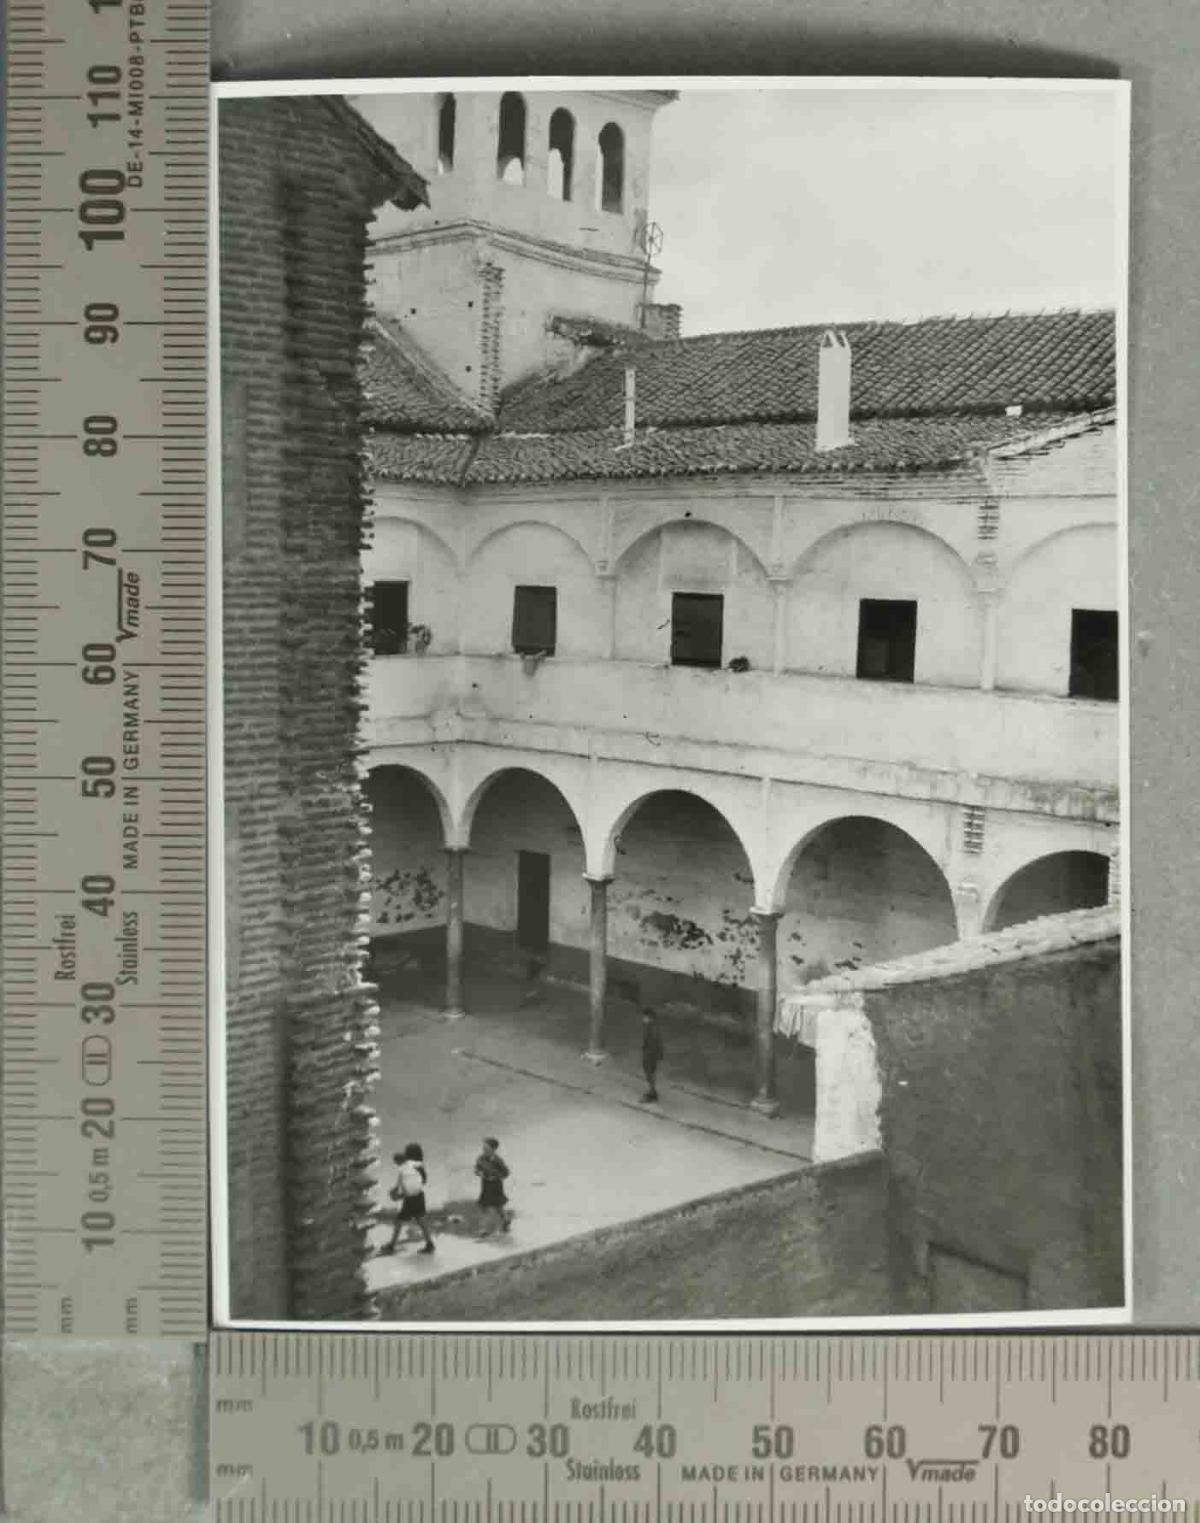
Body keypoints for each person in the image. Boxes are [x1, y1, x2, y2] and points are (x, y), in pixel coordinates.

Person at [381, 1142, 435, 1255]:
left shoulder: (403, 1168)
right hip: (419, 1196)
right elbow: (423, 1181)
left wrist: (396, 1193)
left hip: (410, 1198)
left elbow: (401, 1186)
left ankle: (391, 1245)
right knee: (421, 1220)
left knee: (400, 1221)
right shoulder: (419, 1165)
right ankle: (430, 1244)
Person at [474, 1136, 512, 1237]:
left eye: (486, 1148)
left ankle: (505, 1220)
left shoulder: (498, 1160)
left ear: (493, 1149)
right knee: (485, 1207)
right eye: (484, 1148)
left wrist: (495, 1176)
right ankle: (484, 1229)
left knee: (498, 1206)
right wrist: (480, 1173)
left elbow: (506, 1173)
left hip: (496, 1186)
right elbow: (476, 1170)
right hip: (485, 1185)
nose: (484, 1150)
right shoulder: (481, 1158)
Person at [641, 1008, 664, 1103]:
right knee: (650, 1074)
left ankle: (652, 1093)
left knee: (649, 1074)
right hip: (651, 1054)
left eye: (644, 1017)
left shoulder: (652, 1028)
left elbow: (653, 1043)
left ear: (649, 1018)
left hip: (650, 1055)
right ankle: (652, 1092)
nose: (643, 1019)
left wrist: (647, 1055)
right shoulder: (651, 1027)